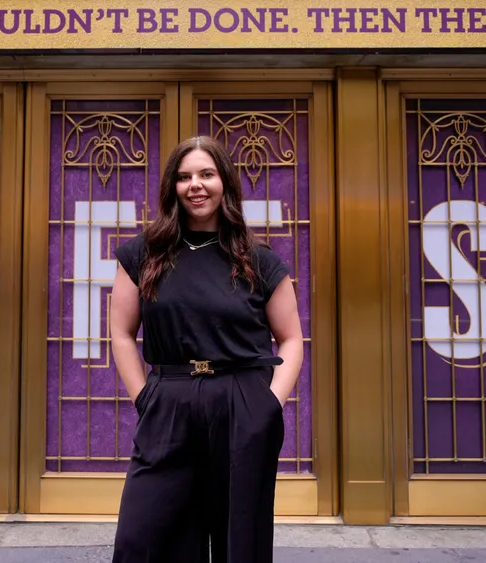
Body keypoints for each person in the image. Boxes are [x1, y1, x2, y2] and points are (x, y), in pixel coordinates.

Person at [109, 135, 303, 563]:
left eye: (206, 174)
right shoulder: (143, 254)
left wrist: (269, 404)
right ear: (172, 187)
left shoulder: (258, 259)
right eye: (184, 177)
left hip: (241, 402)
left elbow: (291, 338)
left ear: (225, 183)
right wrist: (144, 396)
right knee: (143, 538)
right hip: (169, 400)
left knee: (240, 538)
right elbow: (122, 332)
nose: (195, 185)